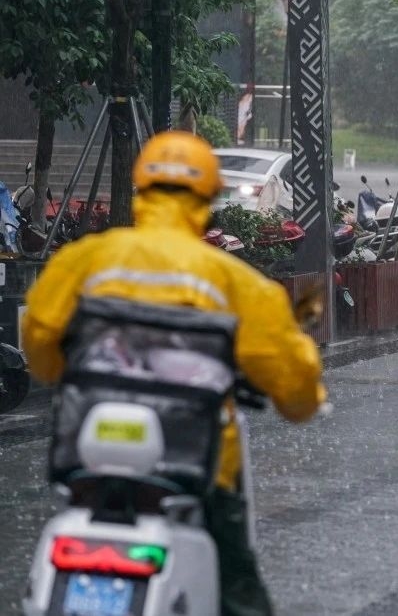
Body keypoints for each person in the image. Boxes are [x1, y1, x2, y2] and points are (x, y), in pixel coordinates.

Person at [21, 130, 328, 616]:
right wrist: (303, 391)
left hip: (87, 460)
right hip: (195, 470)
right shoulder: (234, 281)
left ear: (139, 189)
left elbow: (39, 343)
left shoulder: (83, 261)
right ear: (207, 198)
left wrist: (72, 371)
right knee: (239, 595)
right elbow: (295, 391)